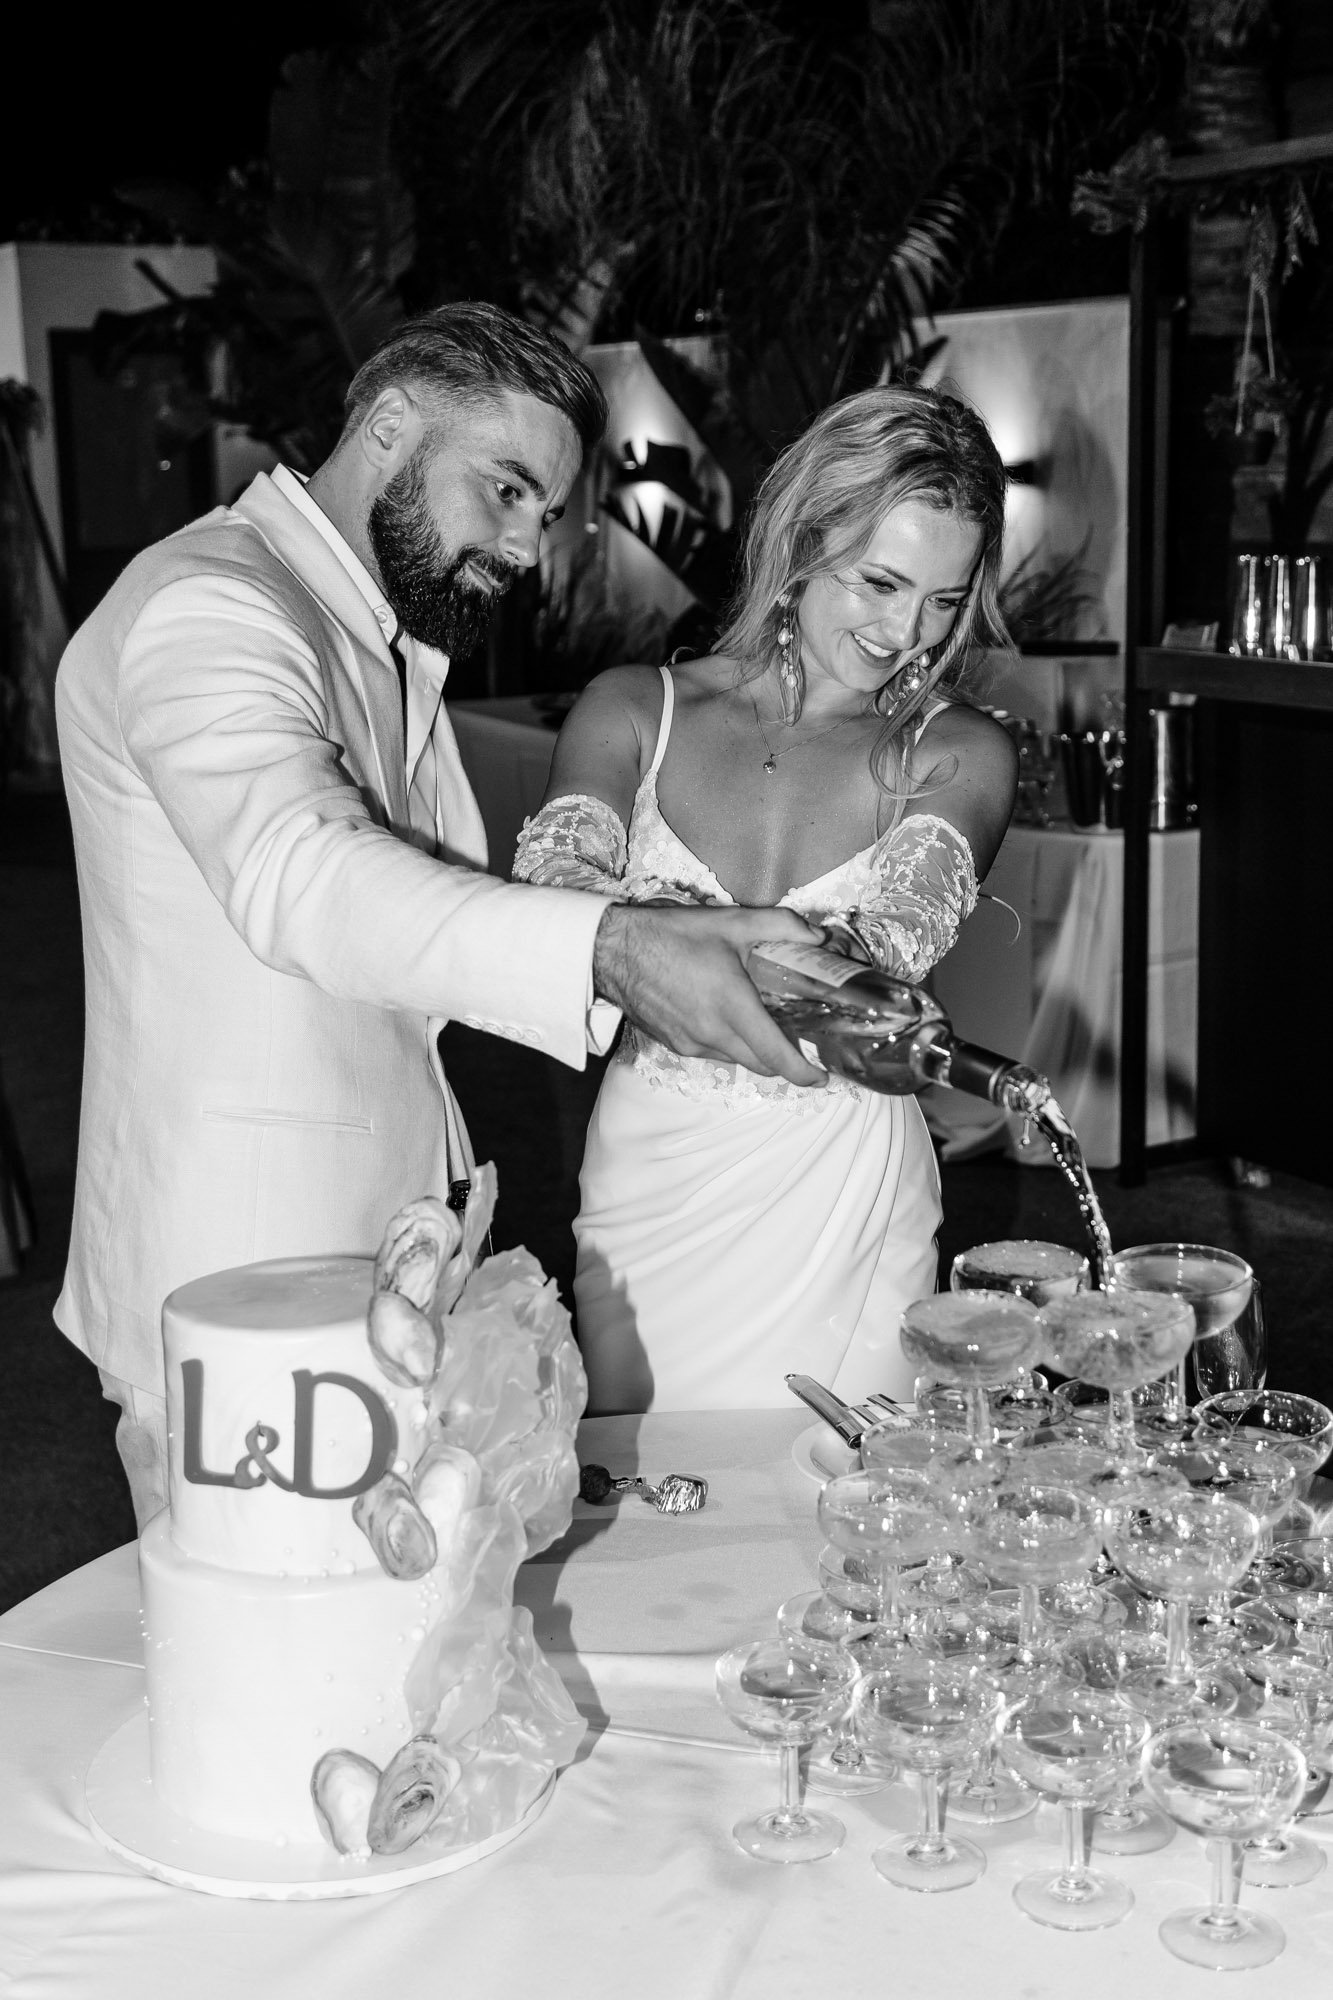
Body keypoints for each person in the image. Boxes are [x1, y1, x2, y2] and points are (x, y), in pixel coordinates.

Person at [55, 302, 822, 1526]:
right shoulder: (210, 605)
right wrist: (613, 951)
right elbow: (303, 874)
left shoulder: (374, 629)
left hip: (369, 1269)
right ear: (392, 424)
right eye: (505, 489)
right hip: (237, 1290)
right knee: (267, 1681)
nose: (525, 550)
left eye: (544, 513)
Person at [514, 383, 1017, 1411]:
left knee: (846, 1507)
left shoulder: (958, 750)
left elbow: (874, 961)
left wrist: (642, 940)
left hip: (844, 1190)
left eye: (943, 600)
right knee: (643, 1503)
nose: (905, 632)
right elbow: (543, 932)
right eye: (880, 580)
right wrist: (598, 941)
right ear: (805, 533)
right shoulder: (627, 710)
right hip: (652, 1186)